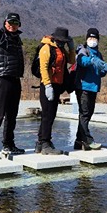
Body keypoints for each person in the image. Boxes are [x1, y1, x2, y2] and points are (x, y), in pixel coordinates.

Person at [0, 0, 26, 160]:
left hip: (15, 80)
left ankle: (9, 144)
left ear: (19, 25)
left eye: (15, 23)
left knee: (12, 116)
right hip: (1, 80)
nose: (12, 26)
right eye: (10, 23)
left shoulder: (18, 40)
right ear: (5, 23)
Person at [35, 27, 76, 155]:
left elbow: (71, 61)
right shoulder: (47, 48)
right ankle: (45, 143)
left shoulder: (61, 49)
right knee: (48, 115)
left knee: (49, 115)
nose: (63, 42)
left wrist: (71, 48)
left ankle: (41, 143)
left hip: (57, 85)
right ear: (55, 38)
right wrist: (47, 85)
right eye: (62, 41)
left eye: (65, 41)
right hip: (48, 85)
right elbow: (43, 68)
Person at [73, 27, 107, 150]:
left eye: (94, 38)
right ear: (86, 39)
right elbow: (81, 61)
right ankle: (87, 139)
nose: (92, 40)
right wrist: (92, 60)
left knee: (88, 113)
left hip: (94, 87)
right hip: (83, 86)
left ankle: (78, 141)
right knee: (84, 113)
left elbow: (100, 71)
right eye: (90, 38)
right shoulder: (84, 50)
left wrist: (103, 69)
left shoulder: (99, 53)